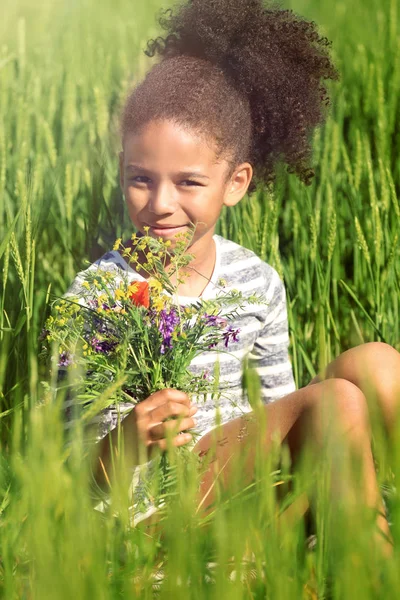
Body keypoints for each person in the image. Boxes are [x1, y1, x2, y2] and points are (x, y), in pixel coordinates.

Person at [65, 0, 400, 548]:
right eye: (140, 178)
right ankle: (370, 556)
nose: (161, 204)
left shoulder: (257, 280)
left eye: (189, 183)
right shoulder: (97, 298)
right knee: (337, 401)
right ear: (121, 168)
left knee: (379, 367)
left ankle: (347, 522)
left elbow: (281, 411)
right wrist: (126, 440)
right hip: (159, 511)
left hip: (248, 485)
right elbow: (72, 476)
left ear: (236, 183)